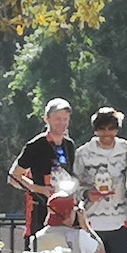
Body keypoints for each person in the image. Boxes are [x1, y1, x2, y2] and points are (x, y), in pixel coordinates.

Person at [74, 107, 127, 253]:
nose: (107, 133)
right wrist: (87, 194)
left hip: (118, 222)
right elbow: (73, 185)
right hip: (91, 223)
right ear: (95, 130)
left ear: (117, 129)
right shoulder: (83, 153)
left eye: (111, 128)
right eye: (102, 129)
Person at [9, 98, 76, 241]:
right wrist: (39, 189)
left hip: (65, 211)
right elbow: (13, 177)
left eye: (65, 119)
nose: (62, 123)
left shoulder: (69, 145)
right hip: (41, 209)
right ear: (47, 119)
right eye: (57, 119)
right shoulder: (35, 145)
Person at [32, 193, 105, 253]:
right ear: (68, 213)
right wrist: (85, 226)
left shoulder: (37, 237)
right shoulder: (79, 235)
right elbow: (100, 252)